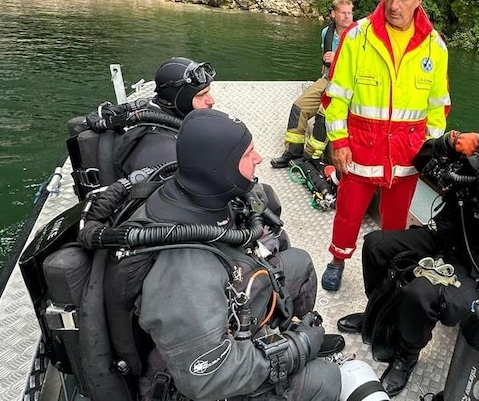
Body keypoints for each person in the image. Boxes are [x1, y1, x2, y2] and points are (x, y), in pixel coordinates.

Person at [103, 109, 342, 400]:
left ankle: (292, 333)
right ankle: (298, 347)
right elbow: (206, 378)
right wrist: (296, 349)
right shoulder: (185, 273)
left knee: (299, 264)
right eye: (248, 153)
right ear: (221, 167)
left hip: (227, 306)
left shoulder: (198, 195)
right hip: (195, 377)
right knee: (325, 379)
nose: (258, 158)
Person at [336, 101, 479, 396]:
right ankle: (378, 313)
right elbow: (421, 162)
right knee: (376, 245)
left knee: (421, 291)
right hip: (446, 239)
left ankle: (406, 356)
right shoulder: (474, 152)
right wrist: (449, 142)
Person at [320, 0, 450, 291]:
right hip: (360, 147)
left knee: (396, 222)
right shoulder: (357, 37)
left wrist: (430, 152)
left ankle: (391, 270)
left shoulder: (434, 47)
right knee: (348, 213)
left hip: (407, 154)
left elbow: (438, 107)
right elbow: (335, 97)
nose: (394, 4)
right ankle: (338, 258)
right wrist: (339, 141)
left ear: (419, 0)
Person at [69, 56, 216, 200]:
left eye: (208, 92)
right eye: (201, 95)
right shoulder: (162, 151)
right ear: (179, 99)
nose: (211, 100)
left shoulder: (160, 115)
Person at [270, 0, 355, 168]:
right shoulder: (326, 33)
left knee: (324, 115)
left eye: (350, 13)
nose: (347, 17)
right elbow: (324, 59)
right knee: (298, 108)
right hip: (327, 79)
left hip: (348, 85)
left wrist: (337, 59)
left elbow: (363, 67)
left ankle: (311, 157)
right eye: (343, 13)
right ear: (333, 14)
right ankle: (292, 152)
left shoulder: (359, 36)